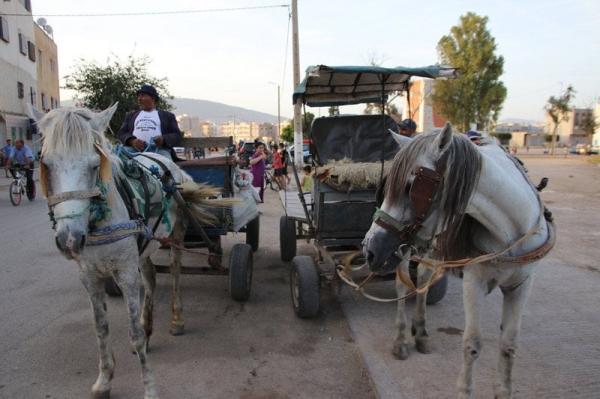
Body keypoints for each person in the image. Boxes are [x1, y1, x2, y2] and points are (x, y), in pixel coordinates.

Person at [117, 84, 182, 159]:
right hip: (133, 150)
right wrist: (132, 141)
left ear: (153, 98)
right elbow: (121, 133)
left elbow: (177, 135)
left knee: (166, 164)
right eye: (138, 96)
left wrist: (163, 139)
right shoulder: (131, 115)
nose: (139, 99)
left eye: (143, 95)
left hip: (158, 151)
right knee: (118, 157)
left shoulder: (167, 116)